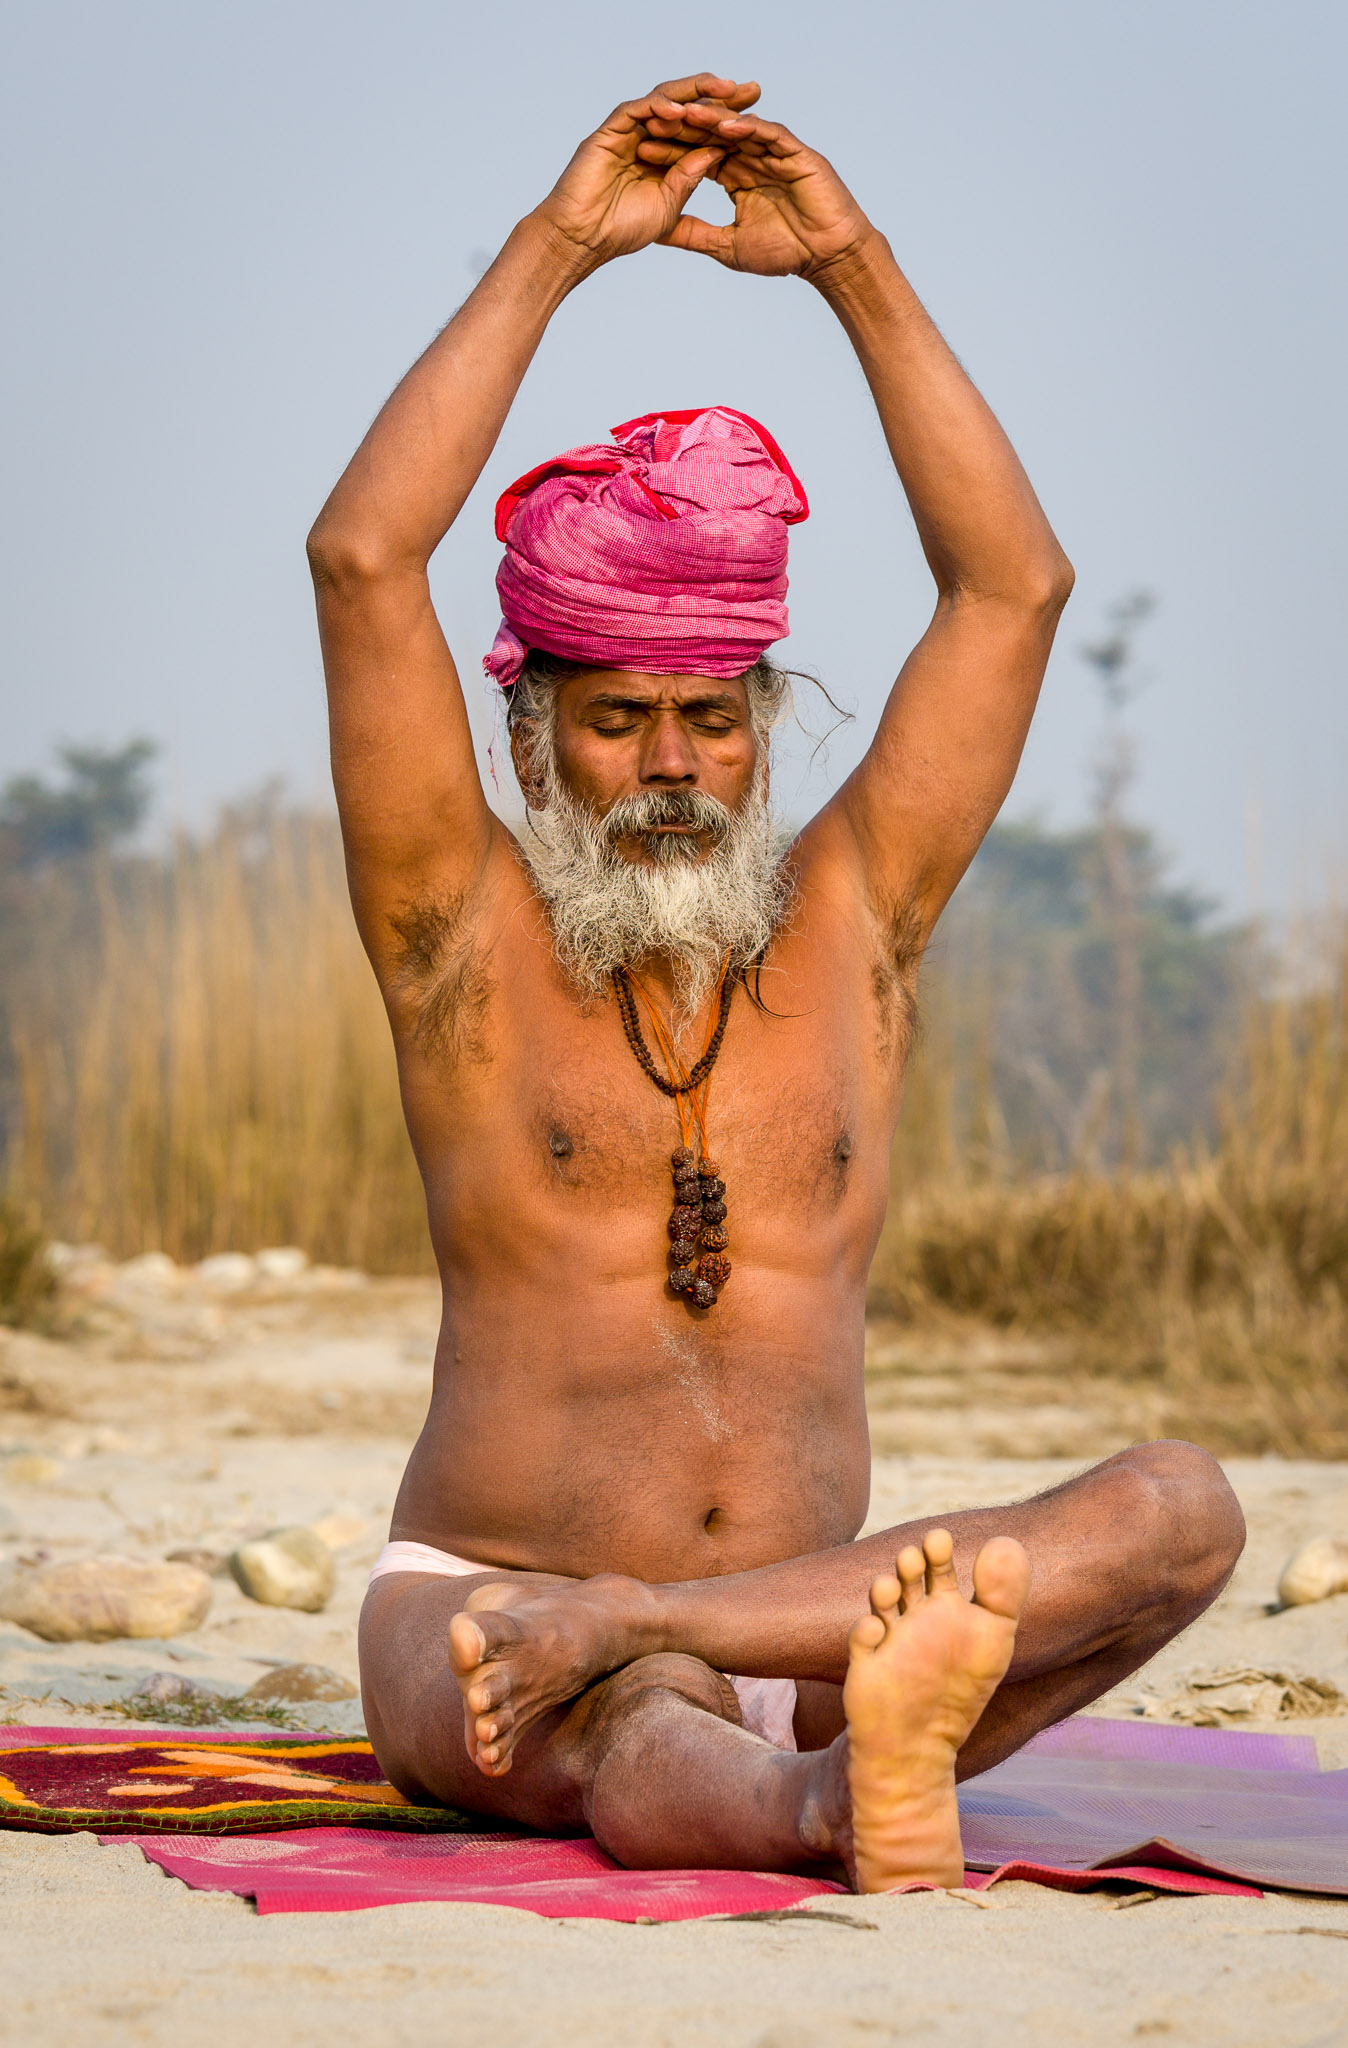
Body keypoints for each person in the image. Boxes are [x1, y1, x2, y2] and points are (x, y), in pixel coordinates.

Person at [306, 74, 1244, 1892]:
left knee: (1181, 1510)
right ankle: (833, 1808)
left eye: (711, 721)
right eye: (617, 720)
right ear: (530, 740)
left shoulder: (857, 926)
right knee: (630, 1704)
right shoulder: (459, 949)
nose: (671, 765)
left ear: (757, 728)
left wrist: (854, 269)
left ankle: (826, 1734)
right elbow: (363, 561)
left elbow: (1011, 590)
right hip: (504, 1619)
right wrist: (564, 245)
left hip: (808, 1638)